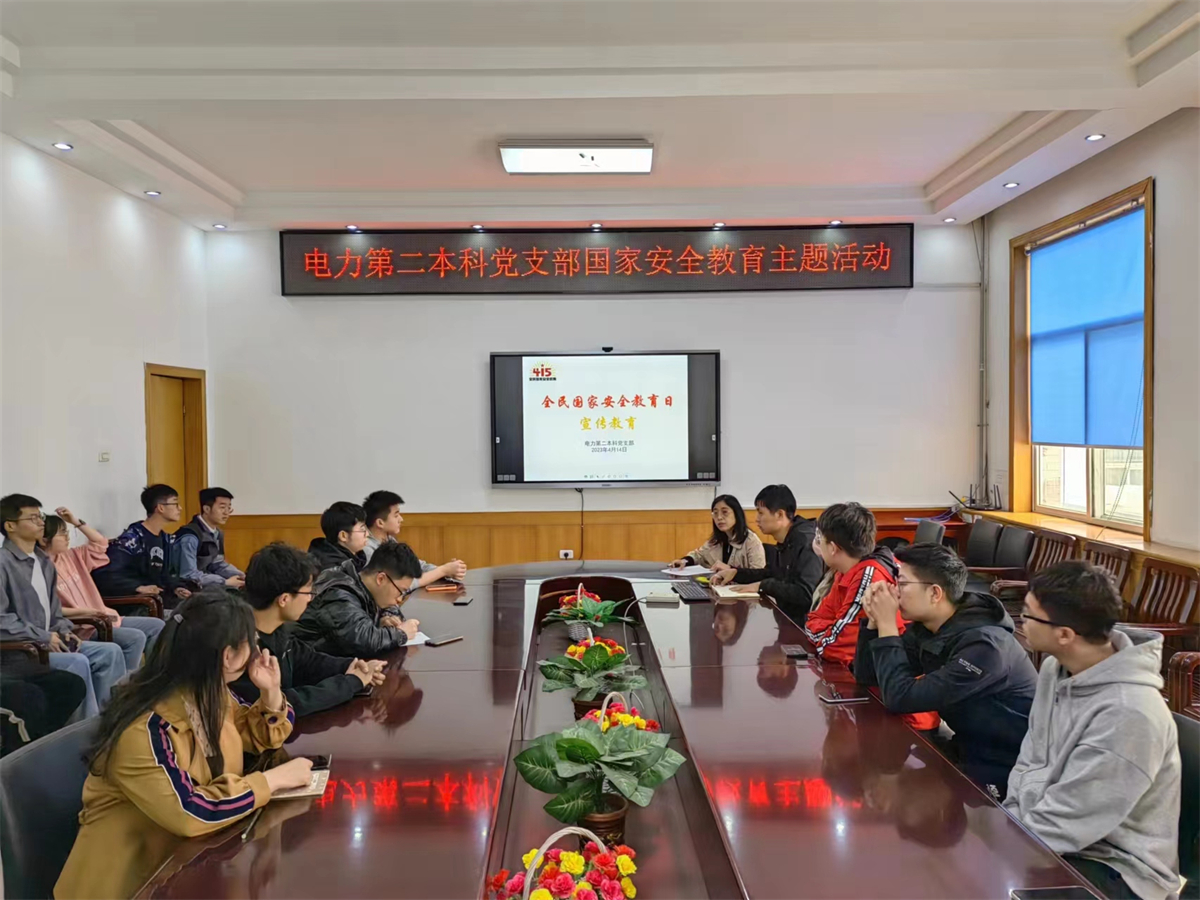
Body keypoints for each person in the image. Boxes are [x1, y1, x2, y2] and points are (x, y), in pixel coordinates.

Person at [55, 590, 314, 900]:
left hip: (180, 868)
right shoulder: (146, 729)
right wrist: (272, 781)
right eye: (252, 643)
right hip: (126, 887)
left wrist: (270, 692)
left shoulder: (207, 692)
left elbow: (259, 737)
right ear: (227, 656)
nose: (257, 651)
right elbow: (191, 811)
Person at [1005, 561, 1181, 900]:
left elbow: (1072, 818)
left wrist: (1004, 843)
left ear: (1064, 635)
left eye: (1028, 615)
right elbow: (1031, 759)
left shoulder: (1130, 713)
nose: (1021, 621)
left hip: (1117, 866)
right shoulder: (1056, 668)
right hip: (1049, 835)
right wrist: (1010, 821)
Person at [854, 542, 1038, 797]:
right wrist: (874, 623)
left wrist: (888, 624)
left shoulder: (985, 647)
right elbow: (868, 676)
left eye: (902, 584)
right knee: (871, 767)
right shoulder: (932, 627)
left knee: (888, 783)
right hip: (968, 748)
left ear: (935, 593)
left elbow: (900, 697)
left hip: (1007, 765)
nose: (894, 591)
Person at [1, 493, 126, 718]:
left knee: (110, 653)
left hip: (50, 642)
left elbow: (53, 610)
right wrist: (43, 636)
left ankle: (113, 717)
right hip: (21, 651)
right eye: (32, 518)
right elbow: (2, 620)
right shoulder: (3, 563)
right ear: (10, 526)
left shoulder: (43, 561)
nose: (41, 522)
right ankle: (84, 731)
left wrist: (64, 630)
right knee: (76, 662)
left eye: (40, 516)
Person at [232, 542, 386, 717]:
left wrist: (352, 666)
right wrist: (350, 683)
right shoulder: (238, 645)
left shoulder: (276, 627)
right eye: (308, 593)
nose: (310, 599)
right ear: (284, 599)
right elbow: (284, 703)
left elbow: (307, 660)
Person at [40, 509, 166, 672]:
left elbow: (100, 542)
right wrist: (86, 612)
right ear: (44, 539)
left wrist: (75, 522)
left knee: (156, 625)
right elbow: (50, 609)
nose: (67, 536)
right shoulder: (39, 569)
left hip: (104, 616)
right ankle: (126, 684)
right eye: (62, 533)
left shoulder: (71, 556)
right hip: (84, 625)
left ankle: (152, 677)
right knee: (135, 638)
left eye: (67, 531)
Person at [801, 502, 898, 666]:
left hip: (878, 673)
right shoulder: (845, 569)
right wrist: (828, 629)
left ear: (832, 548)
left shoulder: (868, 579)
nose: (817, 543)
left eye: (820, 539)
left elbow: (834, 646)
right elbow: (815, 617)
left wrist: (826, 630)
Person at [710, 484, 824, 621]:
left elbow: (805, 593)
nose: (757, 519)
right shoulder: (786, 540)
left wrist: (762, 586)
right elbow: (771, 574)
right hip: (786, 620)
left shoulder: (806, 541)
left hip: (804, 626)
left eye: (761, 513)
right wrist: (735, 573)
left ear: (779, 514)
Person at [294, 540, 423, 657]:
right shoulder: (339, 593)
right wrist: (401, 634)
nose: (399, 600)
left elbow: (390, 607)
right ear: (381, 579)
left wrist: (386, 617)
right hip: (307, 668)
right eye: (400, 592)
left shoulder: (365, 585)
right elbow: (363, 641)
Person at [92, 484, 191, 608]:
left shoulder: (165, 539)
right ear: (161, 508)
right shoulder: (131, 539)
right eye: (175, 504)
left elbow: (165, 575)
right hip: (135, 603)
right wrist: (137, 587)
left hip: (158, 600)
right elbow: (106, 575)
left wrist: (177, 587)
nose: (180, 508)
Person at [361, 490, 467, 585]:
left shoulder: (389, 540)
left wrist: (448, 570)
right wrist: (443, 570)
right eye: (396, 515)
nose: (401, 519)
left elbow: (418, 567)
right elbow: (400, 584)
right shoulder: (366, 549)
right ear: (380, 523)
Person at [1, 658, 87, 755]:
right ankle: (28, 756)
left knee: (71, 683)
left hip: (12, 665)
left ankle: (46, 742)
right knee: (29, 695)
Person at [670, 494, 766, 572]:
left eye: (725, 512)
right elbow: (699, 555)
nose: (719, 517)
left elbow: (758, 574)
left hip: (742, 589)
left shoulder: (751, 541)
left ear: (737, 514)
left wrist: (730, 570)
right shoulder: (716, 540)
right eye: (715, 513)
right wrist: (684, 561)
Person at [176, 487, 245, 589]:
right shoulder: (190, 536)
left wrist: (241, 576)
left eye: (229, 508)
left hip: (207, 585)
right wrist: (224, 582)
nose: (226, 513)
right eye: (222, 507)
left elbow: (217, 564)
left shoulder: (218, 533)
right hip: (187, 589)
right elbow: (188, 574)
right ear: (207, 509)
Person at [307, 501, 369, 572]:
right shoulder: (333, 569)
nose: (367, 534)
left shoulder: (357, 556)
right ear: (343, 536)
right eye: (362, 529)